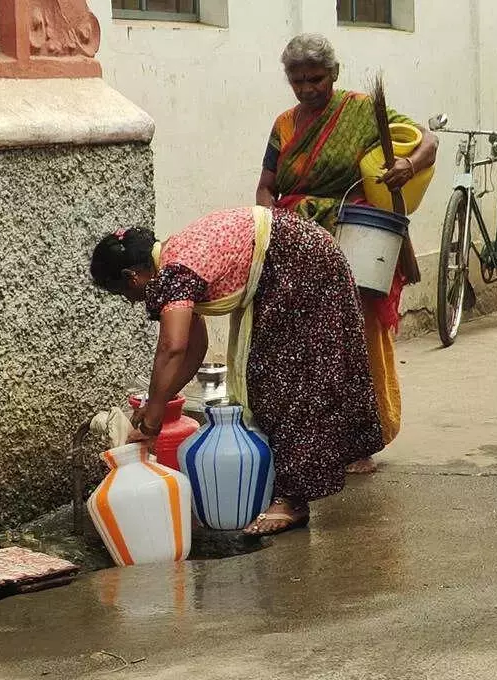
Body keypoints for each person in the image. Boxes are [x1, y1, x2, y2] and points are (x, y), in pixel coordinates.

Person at [90, 206, 384, 535]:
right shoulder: (175, 266)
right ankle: (307, 477)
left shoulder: (176, 272)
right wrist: (158, 401)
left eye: (125, 294)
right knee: (287, 375)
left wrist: (153, 420)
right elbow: (194, 348)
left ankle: (292, 499)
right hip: (303, 253)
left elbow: (171, 347)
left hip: (299, 262)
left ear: (132, 277)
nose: (132, 301)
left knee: (281, 382)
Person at [256, 33, 438, 472]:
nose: (307, 89)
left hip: (354, 241)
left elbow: (428, 141)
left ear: (333, 74)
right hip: (298, 242)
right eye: (298, 81)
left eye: (316, 79)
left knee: (354, 341)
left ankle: (362, 441)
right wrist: (270, 223)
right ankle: (310, 439)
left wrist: (408, 165)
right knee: (303, 344)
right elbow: (266, 186)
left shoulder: (359, 110)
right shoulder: (284, 126)